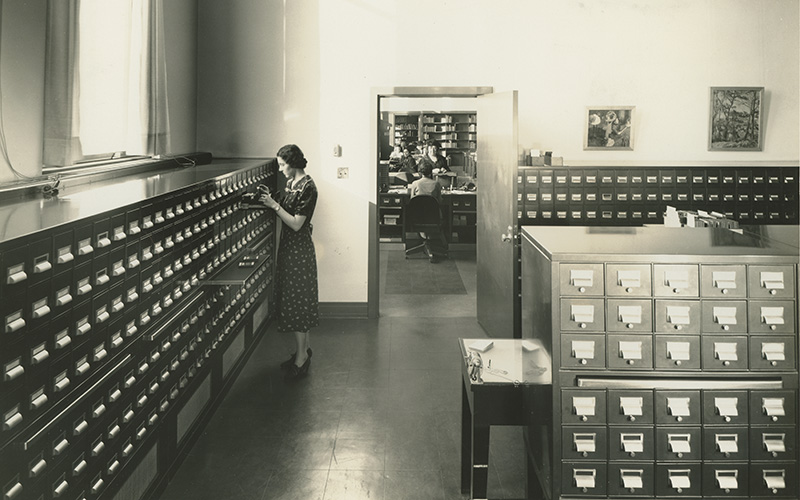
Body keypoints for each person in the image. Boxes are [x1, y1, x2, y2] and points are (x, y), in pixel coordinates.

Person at [259, 144, 319, 380]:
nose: (281, 169)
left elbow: (296, 223)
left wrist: (274, 206)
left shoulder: (308, 187)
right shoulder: (292, 184)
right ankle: (303, 350)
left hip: (299, 250)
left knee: (297, 303)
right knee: (294, 300)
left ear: (293, 164)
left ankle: (301, 358)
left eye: (283, 165)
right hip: (289, 247)